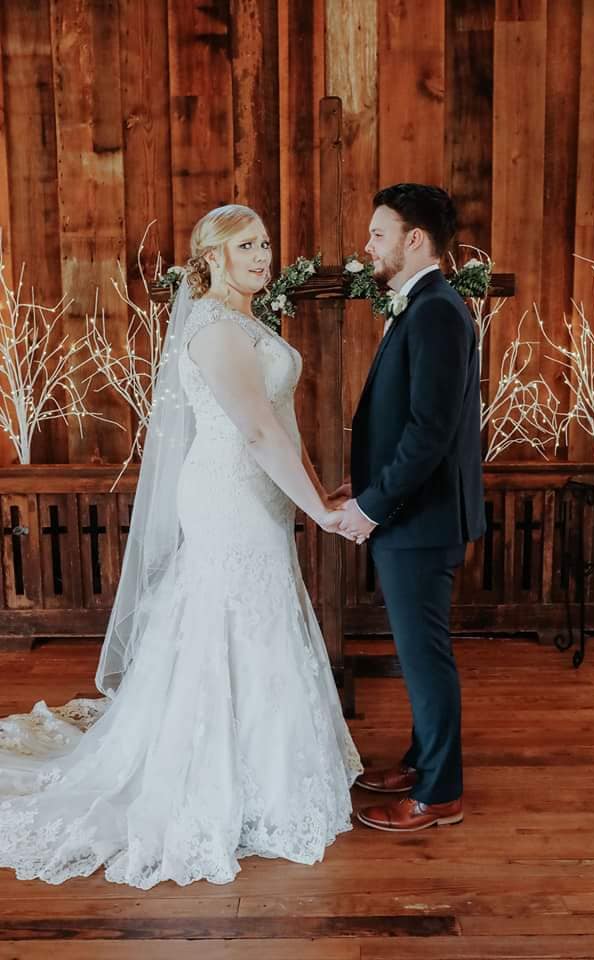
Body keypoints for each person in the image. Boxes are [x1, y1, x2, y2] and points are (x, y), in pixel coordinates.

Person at [0, 204, 362, 889]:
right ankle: (220, 777)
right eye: (245, 246)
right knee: (231, 618)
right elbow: (256, 432)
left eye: (264, 243)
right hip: (228, 493)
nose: (262, 255)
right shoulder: (216, 329)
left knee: (259, 616)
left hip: (262, 491)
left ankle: (265, 768)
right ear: (213, 257)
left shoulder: (249, 321)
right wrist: (321, 514)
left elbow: (281, 426)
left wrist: (318, 492)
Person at [333, 183, 485, 833]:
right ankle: (423, 762)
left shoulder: (436, 312)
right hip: (412, 513)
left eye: (378, 233)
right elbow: (409, 422)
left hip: (420, 520)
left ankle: (439, 794)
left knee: (424, 659)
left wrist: (372, 507)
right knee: (420, 652)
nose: (367, 245)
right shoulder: (424, 305)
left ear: (413, 239)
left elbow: (429, 432)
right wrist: (362, 484)